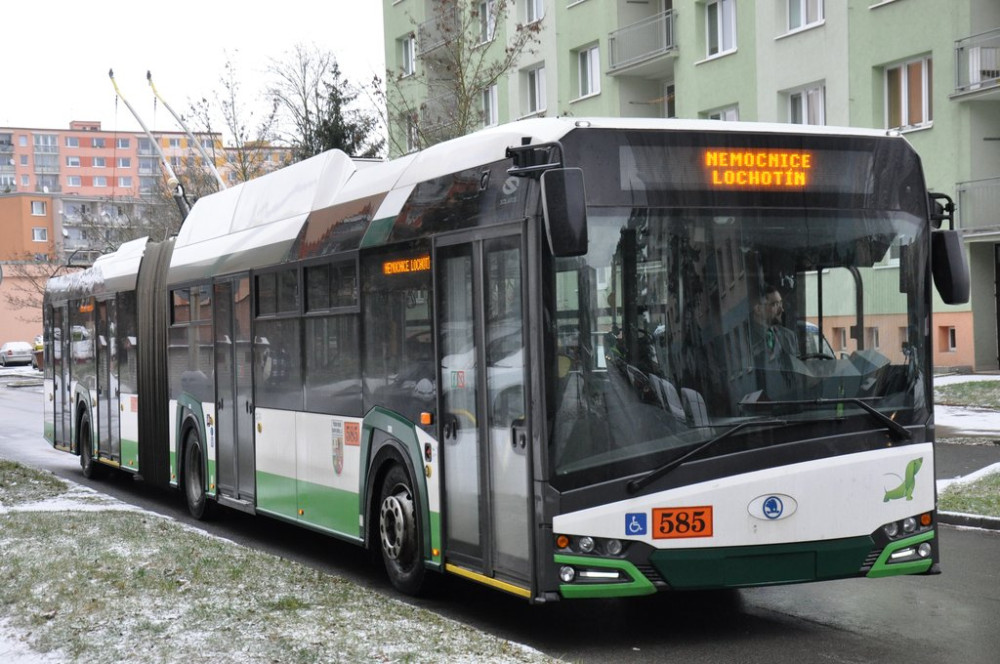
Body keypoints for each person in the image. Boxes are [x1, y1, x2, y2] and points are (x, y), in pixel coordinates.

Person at [751, 284, 798, 361]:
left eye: (780, 303)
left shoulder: (790, 337)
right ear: (758, 309)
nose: (781, 310)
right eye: (774, 304)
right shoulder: (745, 339)